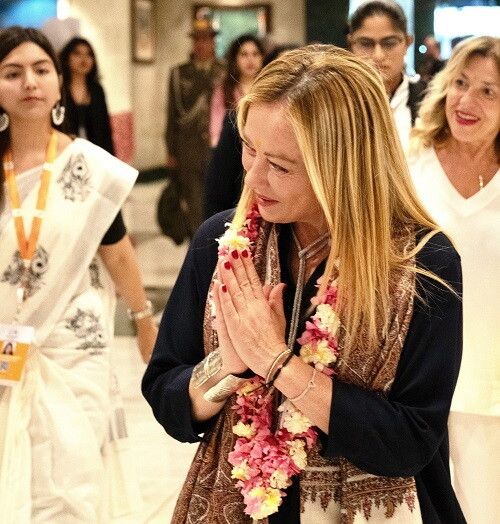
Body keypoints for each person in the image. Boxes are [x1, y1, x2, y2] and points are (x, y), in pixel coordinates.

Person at [143, 44, 465, 523]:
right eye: (249, 149)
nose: (253, 177)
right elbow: (166, 395)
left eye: (280, 165)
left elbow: (411, 440)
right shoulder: (222, 242)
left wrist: (278, 364)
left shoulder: (423, 264)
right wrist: (227, 366)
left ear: (344, 167)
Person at [0, 26, 157, 522]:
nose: (30, 82)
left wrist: (143, 319)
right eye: (12, 73)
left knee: (72, 475)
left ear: (58, 83)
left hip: (74, 344)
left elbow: (118, 253)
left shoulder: (89, 168)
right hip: (5, 343)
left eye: (41, 70)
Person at [409, 36, 500, 524]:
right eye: (461, 83)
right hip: (416, 383)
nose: (467, 101)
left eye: (489, 91)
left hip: (492, 388)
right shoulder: (411, 163)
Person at [165, 18, 224, 236]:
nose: (202, 44)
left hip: (217, 147)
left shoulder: (225, 71)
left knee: (217, 199)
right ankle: (198, 244)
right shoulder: (179, 74)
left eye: (206, 39)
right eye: (198, 39)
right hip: (187, 149)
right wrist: (171, 150)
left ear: (213, 42)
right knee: (193, 204)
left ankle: (218, 243)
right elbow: (172, 114)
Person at [347, 0, 426, 151]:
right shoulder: (334, 101)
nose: (378, 55)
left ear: (407, 43)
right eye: (366, 44)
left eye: (389, 43)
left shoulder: (429, 101)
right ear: (351, 44)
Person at [59, 37, 115, 154]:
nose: (84, 59)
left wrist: (110, 157)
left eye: (89, 55)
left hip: (96, 153)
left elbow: (105, 130)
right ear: (67, 58)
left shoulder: (97, 90)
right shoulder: (60, 90)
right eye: (77, 54)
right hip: (66, 152)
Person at [209, 34, 264, 148]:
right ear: (235, 59)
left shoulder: (270, 88)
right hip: (232, 150)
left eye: (255, 54)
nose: (250, 59)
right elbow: (216, 131)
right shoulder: (223, 90)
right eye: (244, 54)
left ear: (262, 58)